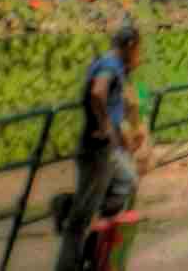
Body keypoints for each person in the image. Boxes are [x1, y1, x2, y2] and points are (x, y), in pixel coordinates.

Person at [54, 20, 148, 271]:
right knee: (80, 220)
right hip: (97, 147)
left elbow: (126, 100)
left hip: (109, 148)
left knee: (127, 181)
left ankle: (75, 208)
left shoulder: (117, 66)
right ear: (129, 45)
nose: (140, 54)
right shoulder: (108, 64)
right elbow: (98, 93)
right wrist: (106, 126)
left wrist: (124, 129)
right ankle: (67, 264)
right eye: (138, 49)